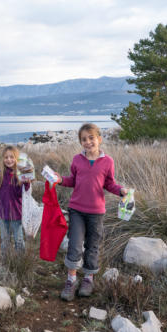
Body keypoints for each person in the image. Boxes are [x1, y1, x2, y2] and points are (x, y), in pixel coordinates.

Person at [55, 123, 127, 301]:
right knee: (75, 244)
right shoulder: (77, 160)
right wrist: (60, 179)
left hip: (96, 212)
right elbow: (72, 180)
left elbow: (109, 183)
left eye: (91, 138)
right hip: (77, 210)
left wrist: (121, 191)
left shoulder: (107, 161)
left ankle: (88, 278)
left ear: (99, 139)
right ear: (81, 142)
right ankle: (71, 280)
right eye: (84, 139)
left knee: (93, 245)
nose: (88, 142)